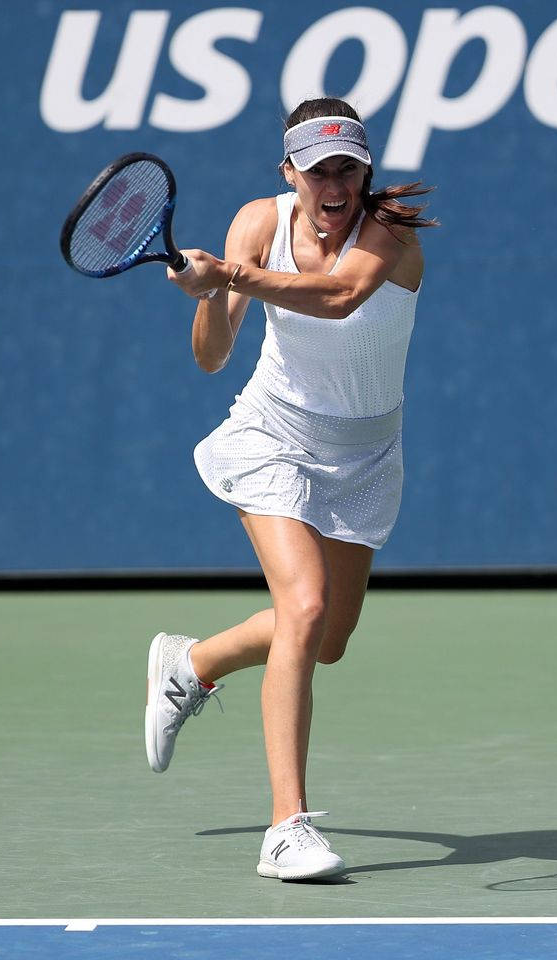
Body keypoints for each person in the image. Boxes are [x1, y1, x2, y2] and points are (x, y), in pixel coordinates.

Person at [144, 98, 435, 882]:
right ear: (290, 174)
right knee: (302, 607)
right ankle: (286, 828)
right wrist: (207, 293)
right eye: (317, 171)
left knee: (325, 639)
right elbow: (212, 357)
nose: (334, 186)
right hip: (274, 435)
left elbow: (339, 297)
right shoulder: (257, 223)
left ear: (365, 172)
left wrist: (232, 273)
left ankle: (192, 663)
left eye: (348, 169)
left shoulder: (389, 234)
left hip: (366, 457)